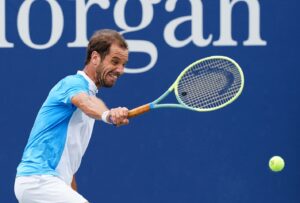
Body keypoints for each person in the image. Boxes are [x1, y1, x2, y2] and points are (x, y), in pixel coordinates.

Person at [14, 29, 130, 203]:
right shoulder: (72, 83)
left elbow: (68, 165)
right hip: (38, 180)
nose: (120, 70)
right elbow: (86, 102)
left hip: (47, 183)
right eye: (115, 61)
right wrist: (108, 115)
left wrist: (73, 192)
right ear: (95, 58)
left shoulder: (90, 94)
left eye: (123, 64)